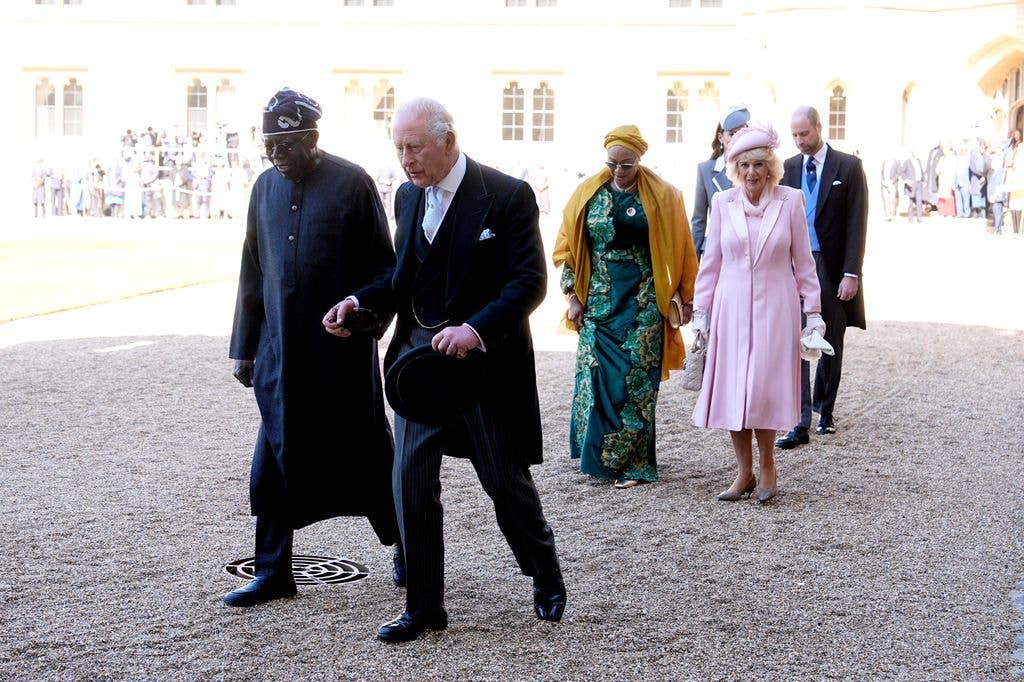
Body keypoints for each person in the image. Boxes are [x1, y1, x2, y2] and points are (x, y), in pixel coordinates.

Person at [323, 97, 565, 643]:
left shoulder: (506, 195)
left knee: (505, 484)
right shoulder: (408, 197)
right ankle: (424, 606)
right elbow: (400, 279)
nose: (405, 160)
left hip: (483, 370)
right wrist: (359, 305)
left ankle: (544, 572)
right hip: (417, 369)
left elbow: (528, 283)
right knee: (409, 484)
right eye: (399, 149)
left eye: (415, 148)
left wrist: (475, 329)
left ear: (448, 140)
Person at [226, 87, 403, 608]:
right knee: (273, 462)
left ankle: (409, 553)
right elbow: (252, 270)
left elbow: (385, 270)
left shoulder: (353, 184)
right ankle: (273, 570)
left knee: (369, 458)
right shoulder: (263, 188)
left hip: (339, 358)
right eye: (268, 146)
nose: (275, 156)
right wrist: (245, 346)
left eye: (285, 145)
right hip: (282, 355)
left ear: (312, 137)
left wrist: (360, 308)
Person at [552, 125, 697, 488]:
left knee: (636, 383)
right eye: (612, 163)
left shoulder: (664, 196)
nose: (618, 170)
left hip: (644, 302)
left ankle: (634, 464)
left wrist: (686, 296)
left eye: (626, 164)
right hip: (598, 302)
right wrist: (572, 296)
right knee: (598, 376)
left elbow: (683, 248)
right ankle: (598, 456)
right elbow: (571, 250)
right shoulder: (588, 193)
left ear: (640, 160)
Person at [691, 122, 822, 504]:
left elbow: (803, 261)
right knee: (734, 387)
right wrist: (702, 313)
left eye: (759, 165)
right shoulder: (722, 203)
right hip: (730, 307)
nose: (752, 173)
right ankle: (743, 471)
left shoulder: (791, 200)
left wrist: (812, 313)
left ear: (771, 168)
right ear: (735, 169)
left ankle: (768, 466)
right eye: (745, 165)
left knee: (762, 385)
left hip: (776, 306)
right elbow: (710, 263)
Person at [776, 106, 868, 449]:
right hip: (794, 264)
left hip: (830, 266)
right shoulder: (787, 168)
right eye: (795, 135)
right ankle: (798, 421)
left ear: (819, 127)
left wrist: (851, 273)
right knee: (795, 339)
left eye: (805, 134)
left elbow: (857, 223)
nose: (800, 141)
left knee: (829, 338)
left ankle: (824, 410)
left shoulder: (849, 166)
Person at [691, 106, 750, 258]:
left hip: (748, 251)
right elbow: (699, 220)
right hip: (716, 252)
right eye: (732, 134)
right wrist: (693, 262)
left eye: (741, 133)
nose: (737, 138)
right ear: (721, 137)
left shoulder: (756, 169)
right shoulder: (705, 170)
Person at [901, 149, 925, 223]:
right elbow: (901, 172)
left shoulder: (919, 161)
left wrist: (924, 180)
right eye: (915, 152)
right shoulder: (907, 162)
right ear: (911, 153)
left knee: (919, 201)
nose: (916, 153)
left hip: (919, 183)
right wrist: (906, 180)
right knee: (911, 202)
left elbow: (921, 171)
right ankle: (910, 219)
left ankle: (919, 218)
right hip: (911, 184)